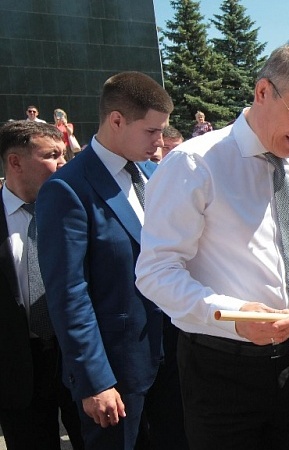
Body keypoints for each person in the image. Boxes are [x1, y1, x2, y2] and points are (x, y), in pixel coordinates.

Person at [134, 41, 289, 450]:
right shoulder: (194, 164)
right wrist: (230, 315)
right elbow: (155, 272)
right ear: (263, 91)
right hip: (222, 369)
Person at [35, 71, 173, 450]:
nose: (160, 142)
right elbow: (69, 294)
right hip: (116, 376)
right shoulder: (67, 189)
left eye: (163, 131)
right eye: (151, 131)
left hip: (173, 363)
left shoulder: (154, 175)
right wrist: (94, 379)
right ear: (116, 120)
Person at [0, 121, 84, 450]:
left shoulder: (75, 208)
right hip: (17, 368)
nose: (63, 163)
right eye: (51, 155)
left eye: (63, 154)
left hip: (77, 356)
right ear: (15, 162)